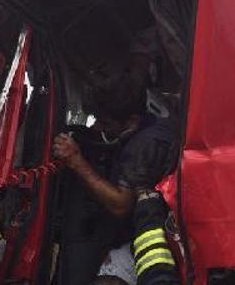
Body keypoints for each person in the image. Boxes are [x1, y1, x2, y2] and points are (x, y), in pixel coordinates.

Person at [53, 61, 178, 284]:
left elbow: (121, 205)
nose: (98, 128)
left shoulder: (143, 147)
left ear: (131, 120)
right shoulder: (156, 118)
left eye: (105, 123)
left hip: (158, 238)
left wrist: (76, 161)